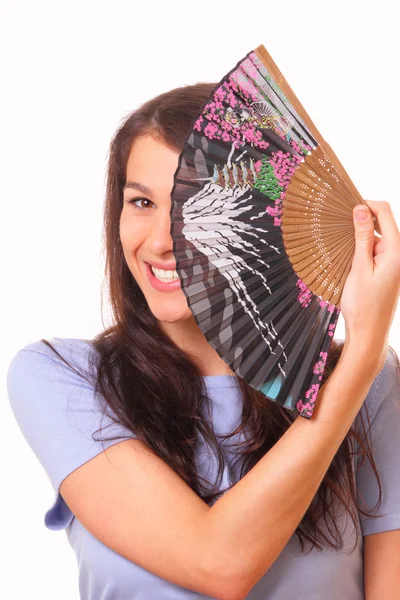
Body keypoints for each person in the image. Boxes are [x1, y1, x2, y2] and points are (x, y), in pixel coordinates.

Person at [6, 82, 400, 600]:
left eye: (199, 205)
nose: (164, 241)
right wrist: (363, 356)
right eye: (142, 201)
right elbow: (218, 564)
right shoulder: (65, 378)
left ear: (265, 220)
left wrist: (362, 362)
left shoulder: (371, 384)